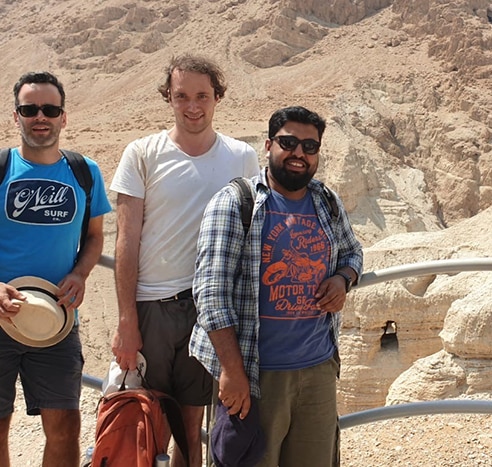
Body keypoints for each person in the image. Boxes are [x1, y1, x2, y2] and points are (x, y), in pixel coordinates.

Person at [190, 105, 363, 467]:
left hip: (317, 372)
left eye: (309, 147)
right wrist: (232, 373)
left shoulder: (325, 201)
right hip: (255, 375)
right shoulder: (236, 203)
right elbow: (211, 295)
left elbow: (352, 252)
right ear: (269, 145)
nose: (299, 153)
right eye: (289, 142)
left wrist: (342, 279)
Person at [109, 54, 260, 467]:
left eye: (202, 96)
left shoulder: (242, 158)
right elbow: (126, 239)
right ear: (168, 98)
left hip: (208, 311)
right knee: (144, 422)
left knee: (191, 430)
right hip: (152, 306)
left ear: (217, 98)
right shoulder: (142, 153)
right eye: (181, 96)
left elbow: (253, 235)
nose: (192, 106)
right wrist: (126, 322)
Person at [0, 71, 111, 467]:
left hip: (57, 319)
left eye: (50, 108)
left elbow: (95, 237)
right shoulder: (1, 167)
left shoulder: (85, 172)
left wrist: (80, 273)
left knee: (64, 427)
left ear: (64, 117)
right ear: (16, 116)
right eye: (30, 109)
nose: (40, 117)